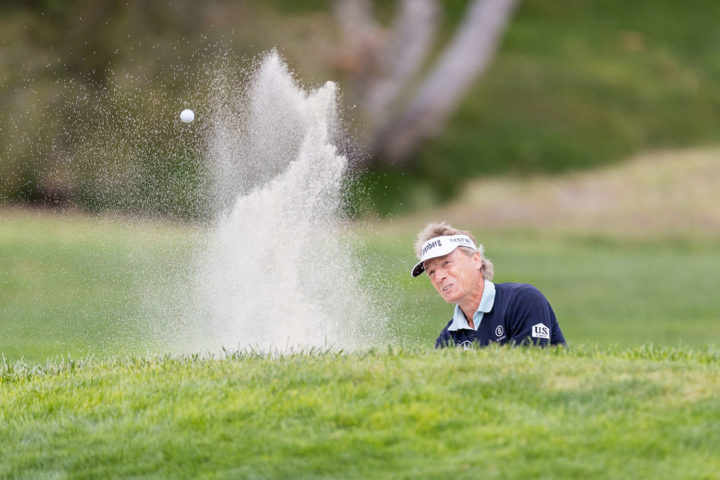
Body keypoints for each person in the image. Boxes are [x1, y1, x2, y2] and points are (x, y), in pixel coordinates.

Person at [411, 222, 565, 348]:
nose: (439, 276)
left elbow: (528, 371)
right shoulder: (447, 340)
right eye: (431, 272)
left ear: (476, 259)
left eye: (447, 263)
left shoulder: (523, 300)